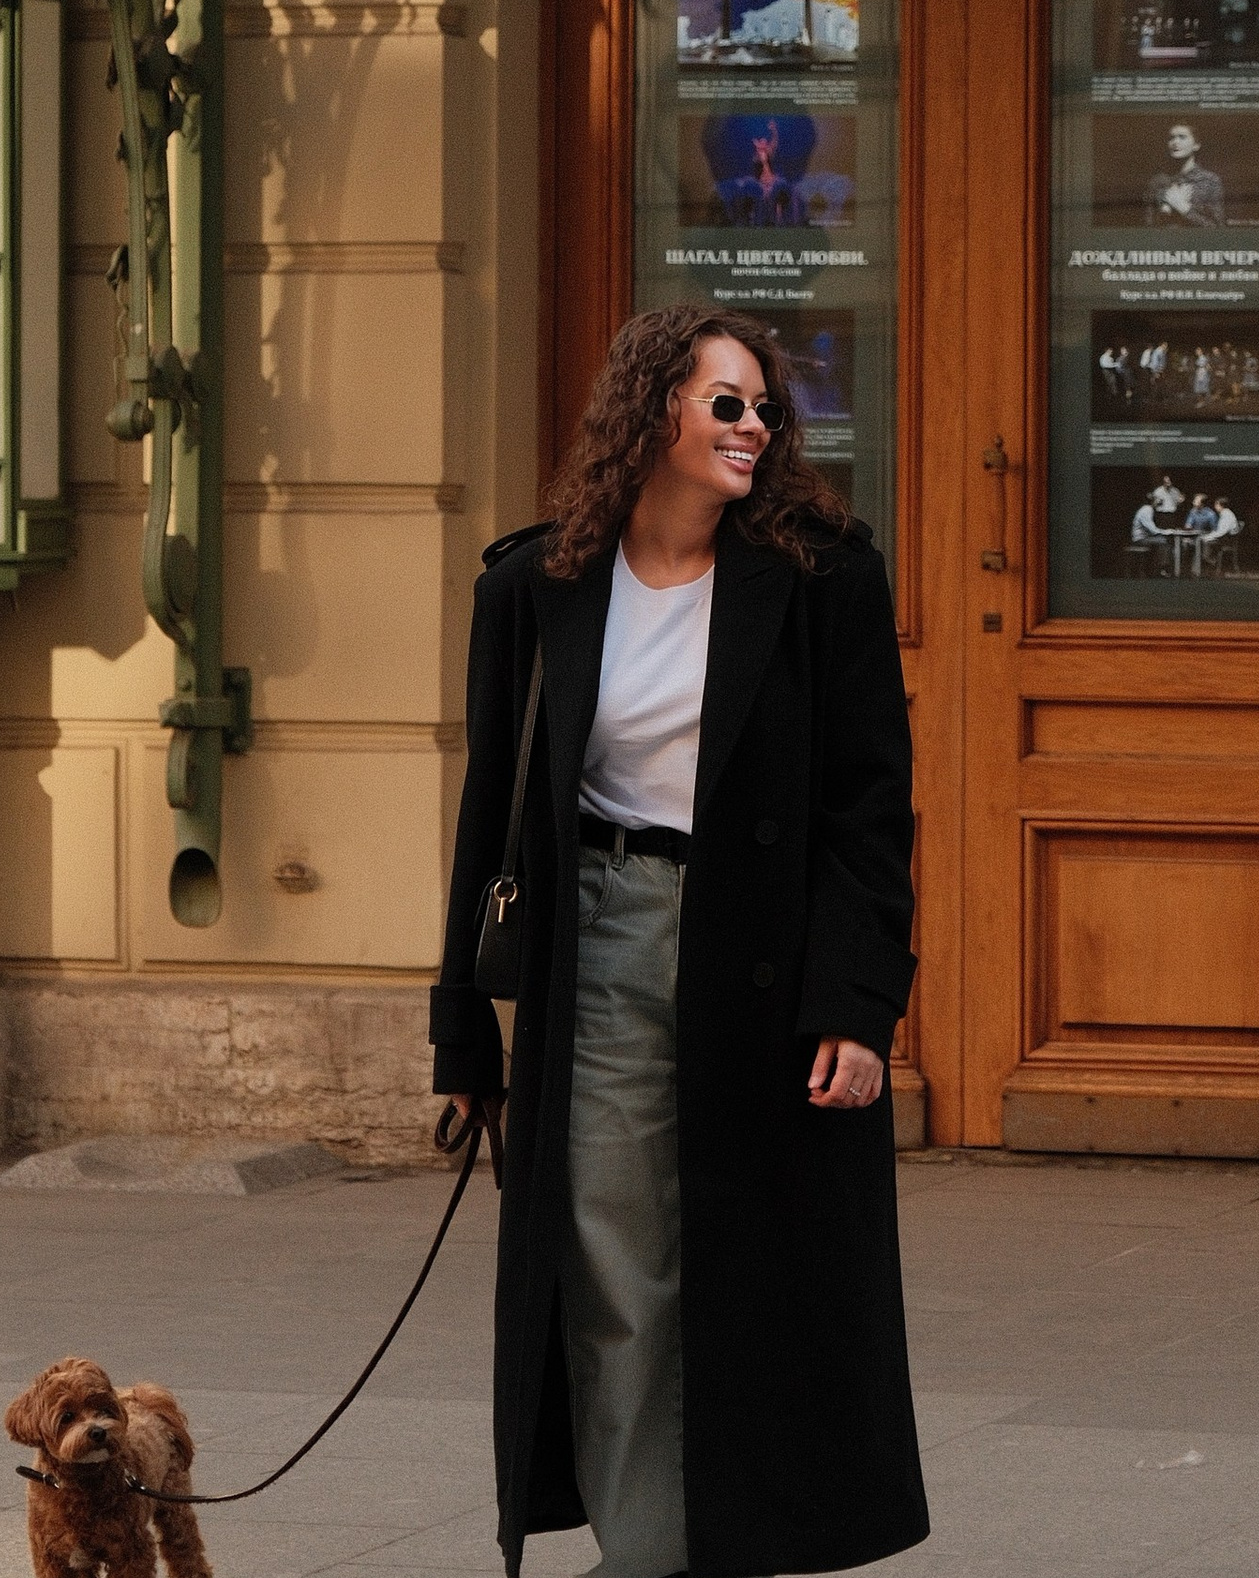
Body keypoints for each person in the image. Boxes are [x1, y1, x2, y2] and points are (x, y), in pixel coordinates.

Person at [433, 303, 927, 1578]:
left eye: (766, 407)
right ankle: (649, 1550)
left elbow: (869, 809)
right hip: (594, 945)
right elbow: (491, 811)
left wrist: (859, 1004)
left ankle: (730, 1540)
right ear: (653, 411)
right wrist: (459, 1026)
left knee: (755, 1277)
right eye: (727, 403)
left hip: (758, 958)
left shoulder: (823, 578)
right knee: (613, 1263)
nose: (755, 425)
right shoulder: (535, 586)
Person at [1144, 122, 1225, 226]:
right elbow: (1147, 226)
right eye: (1171, 138)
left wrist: (1184, 208)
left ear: (1196, 145)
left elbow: (1218, 228)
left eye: (1182, 137)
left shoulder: (1209, 180)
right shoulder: (1157, 181)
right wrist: (1164, 211)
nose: (1175, 142)